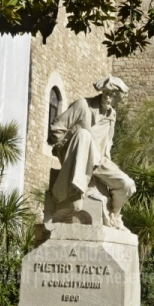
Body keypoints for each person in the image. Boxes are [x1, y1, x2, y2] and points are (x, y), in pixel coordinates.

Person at [48, 76, 136, 230]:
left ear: (117, 99)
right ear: (101, 91)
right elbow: (56, 129)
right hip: (77, 156)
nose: (108, 97)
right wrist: (68, 142)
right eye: (107, 92)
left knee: (127, 185)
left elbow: (107, 144)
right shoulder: (83, 105)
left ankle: (114, 215)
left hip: (99, 161)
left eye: (113, 95)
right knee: (84, 134)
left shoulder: (112, 116)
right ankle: (76, 192)